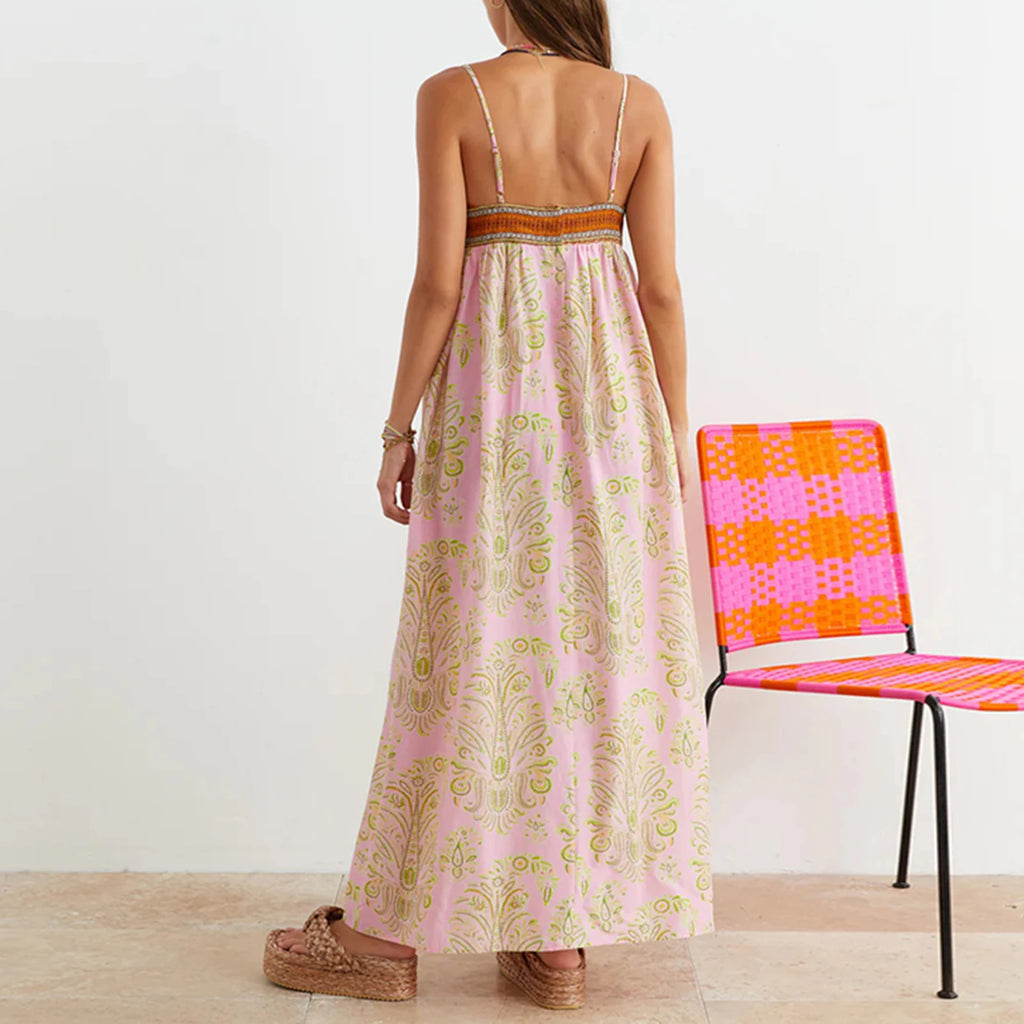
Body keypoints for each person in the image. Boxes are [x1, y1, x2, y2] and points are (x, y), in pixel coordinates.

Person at [262, 0, 713, 1010]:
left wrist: (395, 430)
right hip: (612, 421)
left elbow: (436, 283)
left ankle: (384, 933)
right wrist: (666, 442)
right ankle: (556, 942)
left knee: (467, 646)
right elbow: (663, 290)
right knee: (594, 659)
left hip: (489, 409)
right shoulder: (637, 104)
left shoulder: (451, 96)